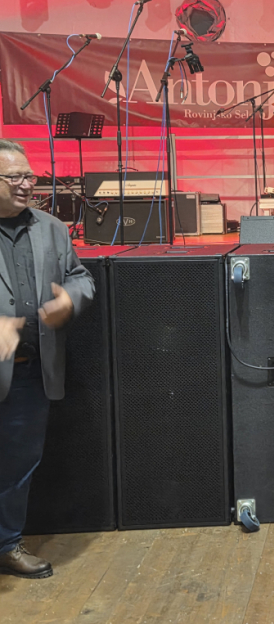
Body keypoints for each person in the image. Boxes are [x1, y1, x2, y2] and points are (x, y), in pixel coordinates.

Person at [0, 139, 95, 579]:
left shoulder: (52, 228)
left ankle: (6, 544)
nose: (26, 185)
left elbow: (80, 276)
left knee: (17, 466)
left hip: (27, 373)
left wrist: (70, 300)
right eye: (14, 178)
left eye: (29, 176)